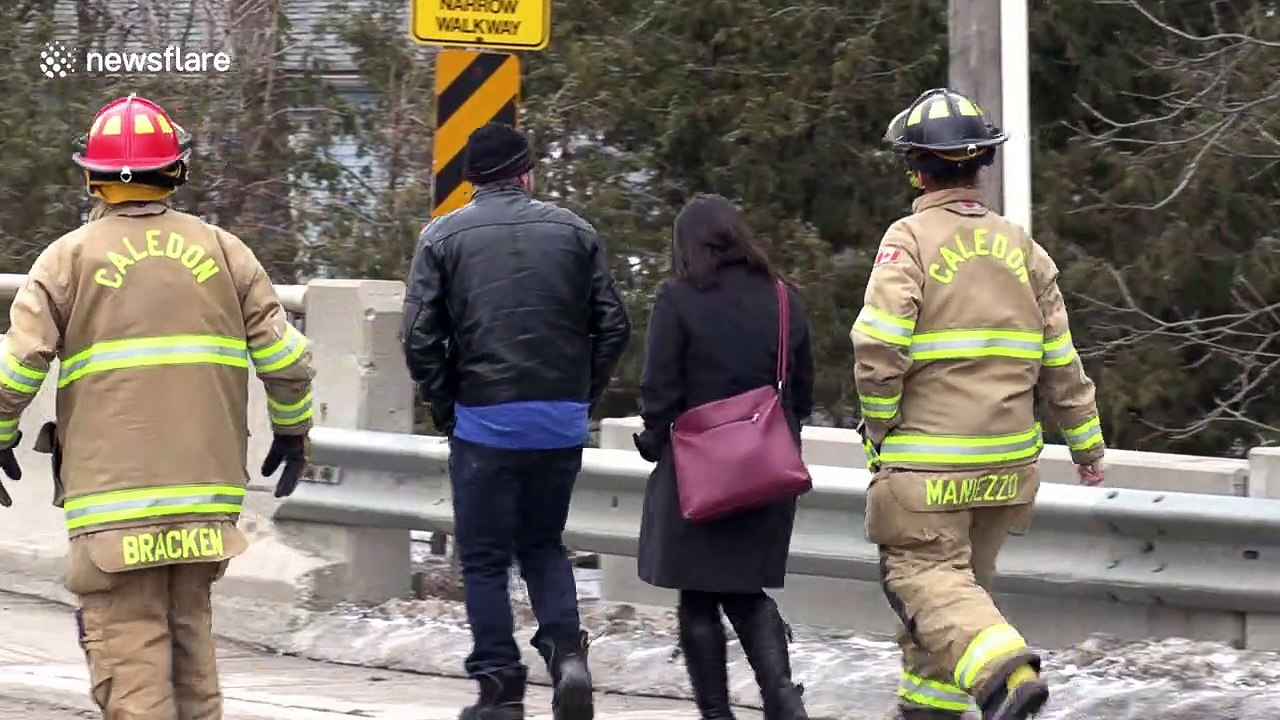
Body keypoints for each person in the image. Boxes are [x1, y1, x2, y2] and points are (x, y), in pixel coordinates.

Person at [0, 93, 315, 719]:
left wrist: (0, 433)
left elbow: (17, 368)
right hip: (206, 505)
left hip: (114, 508)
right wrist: (292, 430)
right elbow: (288, 361)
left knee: (130, 660)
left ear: (91, 173)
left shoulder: (66, 259)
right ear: (177, 169)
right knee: (192, 655)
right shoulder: (227, 252)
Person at [855, 87, 1106, 720]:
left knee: (920, 577)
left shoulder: (907, 240)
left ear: (916, 167)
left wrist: (878, 428)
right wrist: (1086, 445)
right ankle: (928, 712)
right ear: (979, 166)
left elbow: (878, 349)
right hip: (1008, 472)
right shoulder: (1024, 249)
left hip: (928, 469)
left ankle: (1007, 676)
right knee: (953, 600)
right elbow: (1061, 361)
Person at [402, 121, 631, 720]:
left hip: (484, 421)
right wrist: (581, 395)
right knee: (543, 545)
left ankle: (500, 688)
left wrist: (446, 404)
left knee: (482, 558)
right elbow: (613, 325)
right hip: (558, 421)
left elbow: (420, 338)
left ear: (471, 178)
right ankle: (566, 654)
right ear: (526, 173)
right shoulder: (574, 231)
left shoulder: (441, 238)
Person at [633, 194, 815, 720]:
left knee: (698, 596)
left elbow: (659, 391)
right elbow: (802, 392)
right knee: (744, 588)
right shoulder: (784, 299)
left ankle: (717, 713)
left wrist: (653, 435)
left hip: (698, 471)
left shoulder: (679, 298)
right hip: (767, 469)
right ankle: (781, 698)